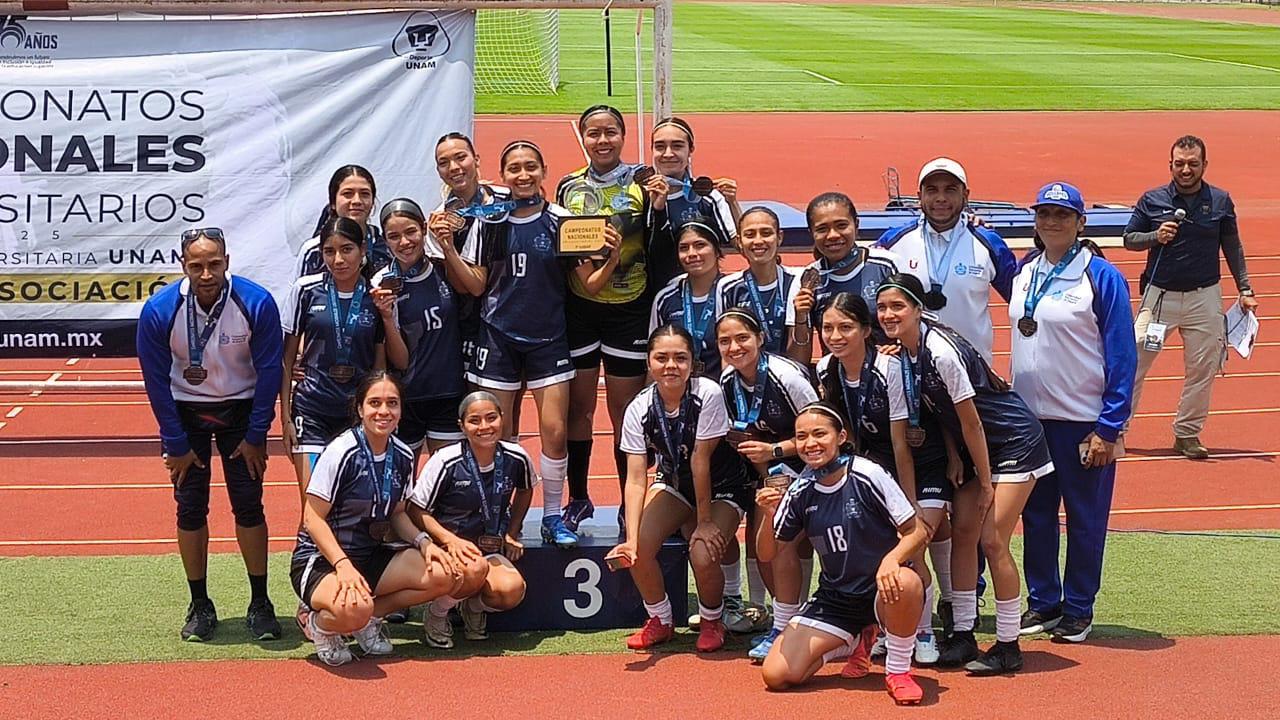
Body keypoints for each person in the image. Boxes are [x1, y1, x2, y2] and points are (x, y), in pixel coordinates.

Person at [878, 273, 1053, 675]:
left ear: (918, 309)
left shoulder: (940, 350)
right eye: (883, 307)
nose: (888, 314)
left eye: (898, 306)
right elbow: (941, 412)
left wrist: (986, 483)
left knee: (992, 540)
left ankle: (1008, 645)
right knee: (963, 532)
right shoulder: (906, 353)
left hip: (1013, 441)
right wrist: (955, 455)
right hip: (976, 450)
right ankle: (962, 632)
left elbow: (972, 421)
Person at [451, 139, 621, 548]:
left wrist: (612, 257)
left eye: (531, 167)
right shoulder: (490, 221)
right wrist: (445, 247)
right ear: (503, 175)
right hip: (498, 337)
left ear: (544, 171)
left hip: (549, 339)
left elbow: (589, 284)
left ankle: (551, 515)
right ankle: (499, 516)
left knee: (555, 432)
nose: (523, 175)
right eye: (514, 168)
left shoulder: (562, 221)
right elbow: (476, 286)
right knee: (499, 434)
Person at [137, 227, 284, 642]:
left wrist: (257, 433)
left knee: (249, 507)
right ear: (183, 265)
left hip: (242, 412)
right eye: (197, 265)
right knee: (189, 509)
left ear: (227, 262)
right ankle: (199, 603)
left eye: (214, 264)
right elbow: (155, 381)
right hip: (185, 414)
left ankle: (260, 602)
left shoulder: (256, 302)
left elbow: (270, 371)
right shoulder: (159, 310)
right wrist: (175, 442)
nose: (206, 274)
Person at [1011, 182, 1137, 644]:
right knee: (1036, 516)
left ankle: (1079, 607)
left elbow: (1122, 355)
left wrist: (1110, 425)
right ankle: (1044, 601)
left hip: (1083, 423)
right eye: (1044, 214)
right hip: (1030, 423)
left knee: (1085, 519)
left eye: (1062, 215)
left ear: (1080, 222)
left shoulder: (1101, 277)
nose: (1052, 222)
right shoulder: (1025, 271)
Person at [756, 403, 928, 706]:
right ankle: (854, 640)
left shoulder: (868, 474)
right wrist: (768, 515)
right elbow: (768, 553)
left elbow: (917, 531)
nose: (810, 443)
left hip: (881, 591)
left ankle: (898, 670)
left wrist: (891, 559)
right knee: (777, 675)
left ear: (841, 437)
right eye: (801, 437)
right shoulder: (800, 489)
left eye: (820, 434)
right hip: (836, 599)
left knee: (906, 582)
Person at [816, 292, 952, 665]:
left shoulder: (888, 367)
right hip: (874, 472)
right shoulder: (826, 369)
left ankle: (924, 631)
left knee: (914, 544)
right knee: (878, 549)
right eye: (828, 328)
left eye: (845, 327)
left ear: (865, 330)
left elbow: (900, 443)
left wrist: (908, 505)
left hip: (919, 466)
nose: (835, 336)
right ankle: (884, 628)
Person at [290, 372, 460, 666]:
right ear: (360, 408)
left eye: (392, 403)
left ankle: (367, 619)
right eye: (375, 403)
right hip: (322, 560)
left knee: (445, 573)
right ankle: (319, 623)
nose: (384, 411)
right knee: (354, 609)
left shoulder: (403, 455)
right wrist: (342, 565)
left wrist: (424, 543)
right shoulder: (341, 452)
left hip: (370, 555)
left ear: (401, 410)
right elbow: (312, 519)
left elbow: (397, 513)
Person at [609, 324, 753, 653]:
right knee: (638, 549)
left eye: (680, 358)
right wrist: (630, 537)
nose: (671, 366)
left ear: (692, 362)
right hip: (675, 483)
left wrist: (704, 522)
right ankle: (660, 619)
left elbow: (701, 461)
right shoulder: (638, 408)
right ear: (649, 362)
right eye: (661, 358)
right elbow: (636, 477)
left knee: (702, 551)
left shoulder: (707, 393)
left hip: (723, 486)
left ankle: (712, 619)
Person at [1124, 135, 1258, 459]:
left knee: (1203, 368)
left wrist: (1245, 288)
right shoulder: (1152, 199)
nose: (1186, 170)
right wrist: (1155, 236)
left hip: (1204, 297)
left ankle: (1187, 434)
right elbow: (1129, 239)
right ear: (1170, 165)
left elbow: (1232, 246)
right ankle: (1115, 430)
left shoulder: (1221, 201)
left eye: (1193, 164)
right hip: (1160, 298)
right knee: (1132, 362)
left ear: (1204, 165)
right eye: (1180, 164)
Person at [555, 105, 652, 535]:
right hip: (580, 308)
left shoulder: (641, 183)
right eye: (593, 133)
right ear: (583, 138)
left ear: (623, 136)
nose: (602, 140)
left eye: (610, 132)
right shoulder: (568, 186)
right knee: (579, 408)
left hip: (629, 309)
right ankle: (579, 497)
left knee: (623, 412)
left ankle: (628, 501)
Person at [714, 309, 819, 661]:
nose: (734, 347)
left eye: (742, 338)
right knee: (765, 547)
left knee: (780, 539)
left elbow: (822, 433)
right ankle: (788, 622)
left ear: (760, 338)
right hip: (775, 472)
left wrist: (773, 450)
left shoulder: (786, 376)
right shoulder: (728, 381)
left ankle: (795, 624)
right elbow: (747, 438)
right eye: (725, 341)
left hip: (818, 467)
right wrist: (765, 470)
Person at [281, 216, 407, 491]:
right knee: (313, 499)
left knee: (352, 500)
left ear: (362, 250)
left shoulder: (376, 297)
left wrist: (376, 411)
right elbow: (286, 359)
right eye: (329, 251)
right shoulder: (305, 290)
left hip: (356, 414)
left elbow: (381, 365)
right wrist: (286, 418)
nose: (338, 259)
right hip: (312, 410)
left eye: (346, 249)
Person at [408, 391, 537, 648]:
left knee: (511, 591)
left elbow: (525, 490)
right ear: (462, 426)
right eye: (474, 421)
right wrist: (450, 540)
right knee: (472, 569)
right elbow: (415, 509)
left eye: (491, 418)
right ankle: (437, 613)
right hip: (448, 549)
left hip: (489, 547)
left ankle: (472, 607)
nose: (484, 427)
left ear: (502, 418)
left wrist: (512, 532)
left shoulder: (517, 457)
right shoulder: (445, 460)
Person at [875, 158, 1016, 364]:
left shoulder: (988, 242)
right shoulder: (894, 241)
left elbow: (1020, 299)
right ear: (919, 196)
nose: (941, 198)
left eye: (950, 190)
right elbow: (868, 292)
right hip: (909, 366)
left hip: (971, 368)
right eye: (932, 190)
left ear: (965, 195)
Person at [372, 198, 466, 454]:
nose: (404, 242)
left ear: (424, 229)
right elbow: (400, 361)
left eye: (411, 232)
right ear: (385, 240)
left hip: (448, 392)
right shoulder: (382, 283)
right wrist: (387, 317)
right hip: (407, 396)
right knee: (401, 474)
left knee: (447, 472)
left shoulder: (444, 268)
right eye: (394, 236)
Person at [426, 132, 511, 377]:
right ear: (438, 171)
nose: (454, 167)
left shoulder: (506, 200)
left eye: (460, 157)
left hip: (513, 313)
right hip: (471, 322)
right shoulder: (439, 221)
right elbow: (463, 288)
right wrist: (448, 246)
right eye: (444, 163)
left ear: (476, 159)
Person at [787, 192, 898, 361]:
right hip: (836, 374)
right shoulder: (806, 280)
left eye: (841, 225)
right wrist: (800, 317)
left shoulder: (888, 265)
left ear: (856, 225)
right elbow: (799, 361)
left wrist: (900, 347)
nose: (833, 235)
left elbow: (916, 326)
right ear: (811, 233)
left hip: (889, 371)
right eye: (822, 229)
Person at [643, 116, 740, 288]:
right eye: (660, 146)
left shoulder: (708, 197)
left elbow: (742, 245)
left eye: (677, 146)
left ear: (691, 149)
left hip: (704, 293)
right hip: (653, 295)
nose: (668, 153)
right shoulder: (640, 196)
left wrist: (732, 203)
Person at [718, 207, 802, 356]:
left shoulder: (797, 280)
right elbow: (726, 343)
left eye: (766, 233)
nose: (758, 241)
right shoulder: (728, 287)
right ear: (740, 241)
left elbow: (801, 348)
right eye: (750, 235)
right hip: (744, 367)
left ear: (779, 237)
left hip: (789, 368)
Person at [650, 219, 728, 377]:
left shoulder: (733, 292)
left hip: (725, 388)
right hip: (678, 387)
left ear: (716, 250)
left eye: (700, 245)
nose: (692, 254)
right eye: (684, 248)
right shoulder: (666, 298)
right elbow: (655, 353)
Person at [296, 165, 390, 278]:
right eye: (348, 194)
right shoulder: (313, 252)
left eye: (364, 194)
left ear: (373, 201)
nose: (357, 201)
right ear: (333, 202)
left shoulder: (388, 247)